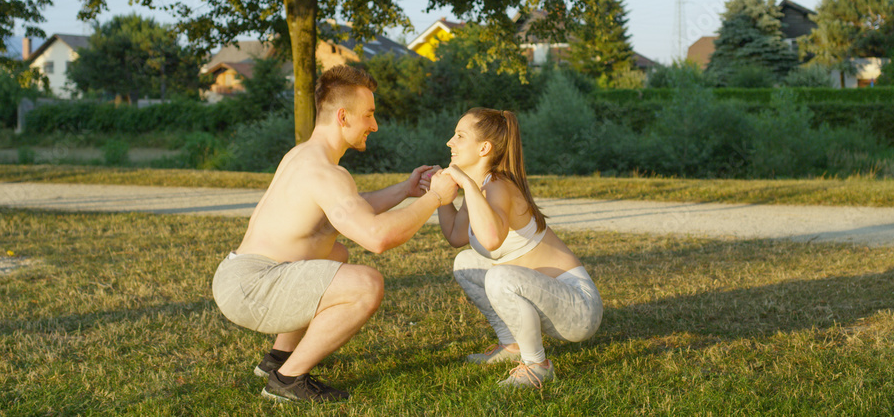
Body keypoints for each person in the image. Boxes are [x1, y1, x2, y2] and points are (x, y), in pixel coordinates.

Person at [212, 65, 458, 403]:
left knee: (335, 254)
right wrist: (435, 198)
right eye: (369, 115)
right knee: (366, 284)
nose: (374, 125)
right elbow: (378, 238)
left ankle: (278, 359)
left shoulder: (304, 155)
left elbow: (346, 210)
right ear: (343, 116)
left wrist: (406, 189)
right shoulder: (326, 172)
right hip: (252, 287)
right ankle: (286, 380)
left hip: (240, 277)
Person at [431, 108, 603, 389]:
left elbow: (490, 240)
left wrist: (464, 183)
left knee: (499, 276)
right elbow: (454, 235)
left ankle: (538, 366)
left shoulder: (498, 186)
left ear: (484, 147)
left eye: (459, 136)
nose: (450, 142)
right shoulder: (480, 186)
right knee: (465, 262)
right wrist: (438, 196)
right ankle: (510, 346)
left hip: (579, 309)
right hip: (546, 295)